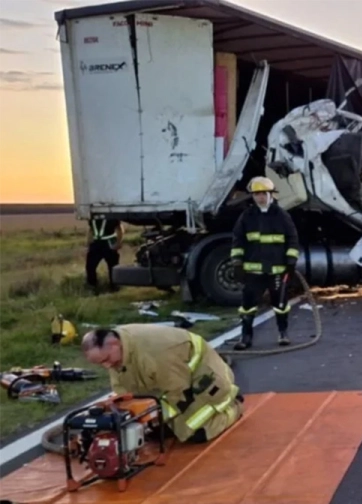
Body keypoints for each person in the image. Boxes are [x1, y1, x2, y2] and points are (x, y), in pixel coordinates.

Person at [81, 324, 243, 444]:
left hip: (204, 380)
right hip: (174, 381)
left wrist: (153, 416)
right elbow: (123, 391)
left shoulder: (157, 353)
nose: (107, 366)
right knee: (158, 432)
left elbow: (178, 392)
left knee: (196, 433)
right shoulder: (118, 352)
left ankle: (233, 406)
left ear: (114, 344)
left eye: (107, 360)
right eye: (100, 363)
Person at [230, 176, 301, 350]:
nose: (260, 197)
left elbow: (292, 238)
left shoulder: (281, 215)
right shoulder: (247, 216)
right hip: (253, 272)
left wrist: (291, 261)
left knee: (280, 304)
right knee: (247, 306)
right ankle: (246, 337)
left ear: (271, 195)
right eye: (256, 194)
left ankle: (283, 333)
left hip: (276, 270)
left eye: (263, 194)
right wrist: (237, 262)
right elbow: (238, 240)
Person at [85, 216, 124, 292]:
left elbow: (119, 229)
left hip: (109, 243)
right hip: (96, 244)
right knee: (90, 266)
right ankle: (92, 287)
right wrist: (89, 241)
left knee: (113, 267)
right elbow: (91, 229)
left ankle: (114, 287)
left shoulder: (111, 215)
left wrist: (118, 242)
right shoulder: (93, 216)